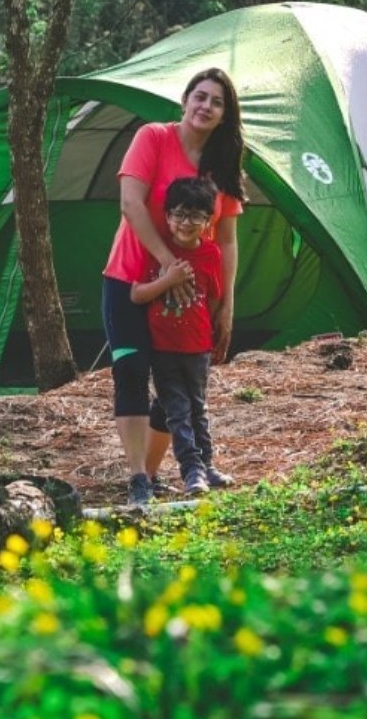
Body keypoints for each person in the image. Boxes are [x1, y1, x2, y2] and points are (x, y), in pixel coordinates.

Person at [101, 68, 246, 507]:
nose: (206, 106)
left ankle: (152, 471)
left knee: (176, 384)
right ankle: (136, 479)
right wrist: (170, 267)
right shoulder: (153, 137)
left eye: (217, 102)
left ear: (225, 115)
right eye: (199, 96)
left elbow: (226, 238)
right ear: (184, 100)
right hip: (130, 277)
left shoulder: (222, 165)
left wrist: (226, 306)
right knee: (130, 371)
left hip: (192, 296)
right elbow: (130, 203)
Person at [132, 177, 226, 495]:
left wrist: (211, 335)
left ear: (208, 220)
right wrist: (168, 278)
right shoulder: (158, 251)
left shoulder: (211, 254)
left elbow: (212, 297)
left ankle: (208, 465)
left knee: (198, 407)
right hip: (163, 348)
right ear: (168, 215)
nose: (186, 223)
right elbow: (137, 294)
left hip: (197, 347)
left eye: (196, 216)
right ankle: (191, 471)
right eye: (179, 214)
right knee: (178, 410)